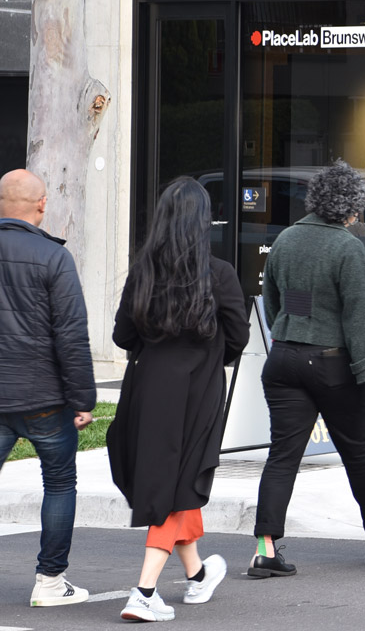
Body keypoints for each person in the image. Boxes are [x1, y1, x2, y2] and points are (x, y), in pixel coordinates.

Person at [106, 177, 250, 621]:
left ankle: (198, 576)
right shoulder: (219, 273)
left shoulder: (144, 271)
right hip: (197, 390)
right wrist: (208, 353)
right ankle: (144, 591)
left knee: (175, 481)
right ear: (203, 221)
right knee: (176, 485)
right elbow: (239, 337)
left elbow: (121, 335)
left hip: (148, 389)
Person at [250, 161, 365, 577]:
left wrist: (292, 331)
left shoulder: (286, 239)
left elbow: (276, 302)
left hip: (284, 360)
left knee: (282, 456)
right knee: (358, 452)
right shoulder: (347, 247)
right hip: (332, 364)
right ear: (350, 207)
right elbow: (359, 315)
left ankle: (265, 547)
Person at [0, 169, 95, 607]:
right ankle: (50, 583)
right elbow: (71, 336)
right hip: (43, 398)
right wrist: (83, 399)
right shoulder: (54, 258)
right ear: (41, 205)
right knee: (59, 483)